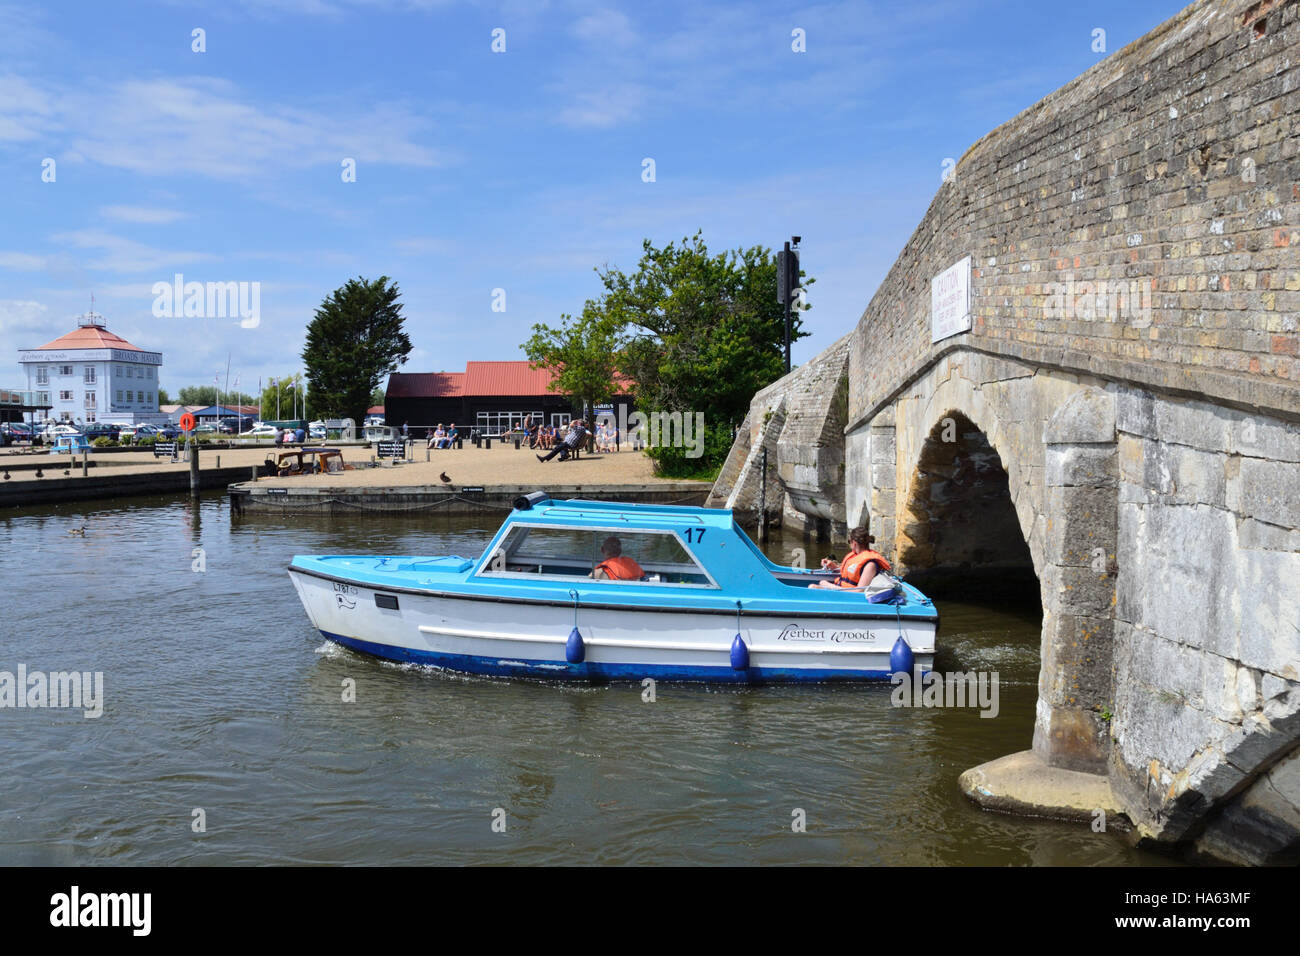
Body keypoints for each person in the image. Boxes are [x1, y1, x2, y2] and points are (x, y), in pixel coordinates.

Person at [813, 526, 892, 590]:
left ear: (854, 543)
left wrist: (829, 586)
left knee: (813, 587)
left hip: (849, 597)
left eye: (849, 541)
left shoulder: (870, 565)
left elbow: (859, 591)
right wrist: (834, 567)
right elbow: (851, 572)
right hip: (842, 590)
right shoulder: (856, 556)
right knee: (818, 584)